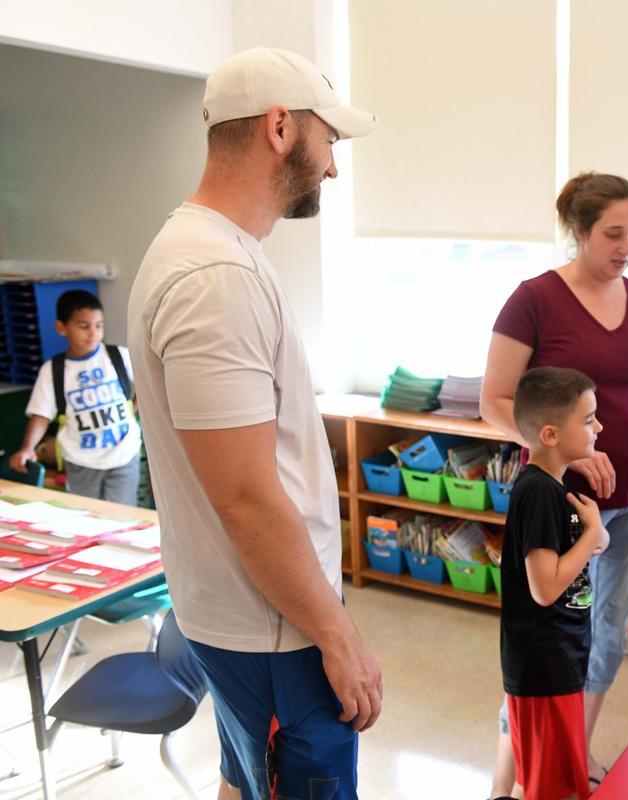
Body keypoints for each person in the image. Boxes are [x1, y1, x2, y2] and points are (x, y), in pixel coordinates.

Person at [127, 47, 381, 799]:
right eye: (328, 139)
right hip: (274, 630)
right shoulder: (216, 277)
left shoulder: (215, 252)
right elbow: (243, 495)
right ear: (279, 128)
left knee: (244, 781)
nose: (333, 167)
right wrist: (337, 633)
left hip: (251, 619)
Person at [481, 172, 628, 795]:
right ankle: (519, 768)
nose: (627, 247)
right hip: (562, 500)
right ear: (579, 231)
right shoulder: (533, 300)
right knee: (545, 635)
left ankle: (572, 752)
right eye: (613, 234)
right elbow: (496, 401)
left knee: (607, 628)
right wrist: (563, 453)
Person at [501, 367, 611, 800]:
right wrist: (591, 534)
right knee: (548, 788)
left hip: (560, 657)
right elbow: (545, 588)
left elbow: (571, 551)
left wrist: (592, 536)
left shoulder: (553, 486)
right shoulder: (539, 493)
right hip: (543, 666)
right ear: (549, 434)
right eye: (588, 420)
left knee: (565, 780)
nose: (598, 427)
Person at [9, 290, 142, 505]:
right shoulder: (54, 370)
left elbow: (148, 383)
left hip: (123, 455)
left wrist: (137, 405)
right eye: (83, 326)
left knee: (122, 516)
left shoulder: (118, 355)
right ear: (62, 327)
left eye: (98, 326)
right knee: (86, 515)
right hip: (81, 460)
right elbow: (40, 416)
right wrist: (27, 448)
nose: (92, 333)